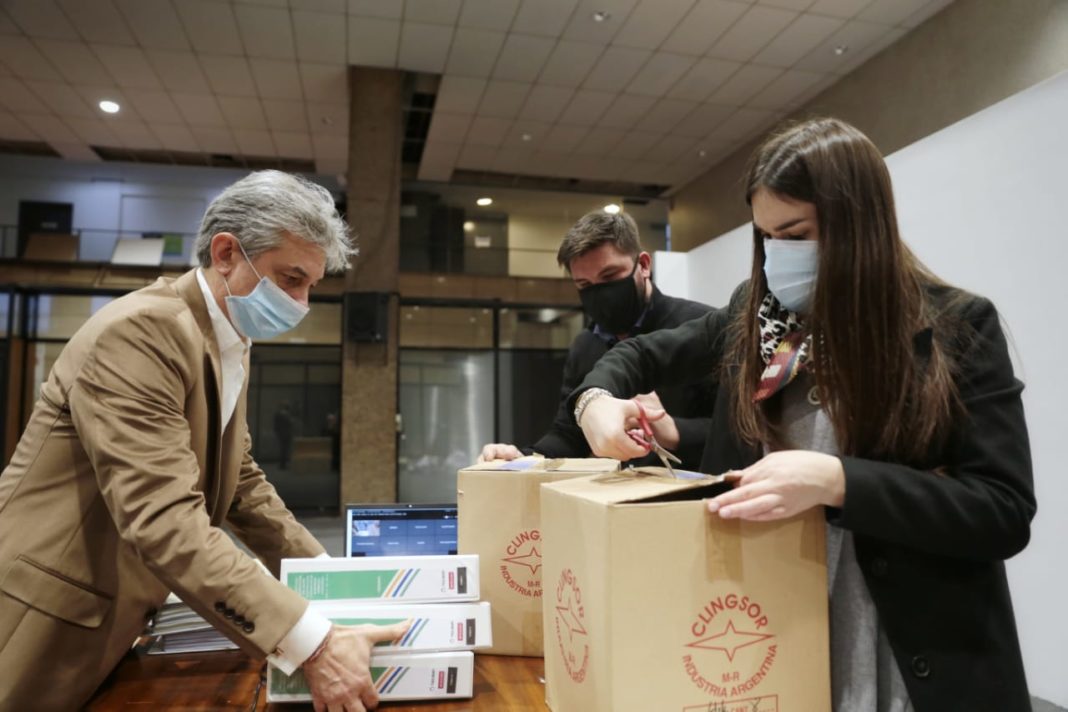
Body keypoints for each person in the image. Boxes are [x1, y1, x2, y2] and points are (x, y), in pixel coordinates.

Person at [570, 118, 1034, 711]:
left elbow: (1001, 509)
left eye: (796, 233)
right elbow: (640, 352)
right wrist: (595, 404)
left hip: (904, 663)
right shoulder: (756, 317)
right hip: (771, 649)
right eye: (765, 237)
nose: (777, 255)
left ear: (859, 223)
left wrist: (837, 480)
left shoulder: (955, 327)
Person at [0, 171, 407, 711]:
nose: (303, 302)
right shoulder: (143, 332)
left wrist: (329, 579)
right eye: (290, 279)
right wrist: (315, 644)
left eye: (310, 284)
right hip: (50, 617)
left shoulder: (226, 336)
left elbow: (240, 485)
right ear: (225, 253)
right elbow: (165, 519)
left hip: (119, 610)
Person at [478, 211, 715, 469]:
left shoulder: (700, 327)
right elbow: (569, 434)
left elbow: (745, 431)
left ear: (644, 266)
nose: (601, 293)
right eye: (585, 284)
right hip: (620, 498)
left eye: (610, 276)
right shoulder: (586, 345)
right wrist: (523, 460)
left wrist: (675, 431)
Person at [274, 401, 295, 469]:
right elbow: (290, 424)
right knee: (284, 449)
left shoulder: (278, 415)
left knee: (283, 449)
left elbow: (276, 425)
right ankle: (283, 464)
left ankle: (282, 464)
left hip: (282, 434)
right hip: (285, 434)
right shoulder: (286, 415)